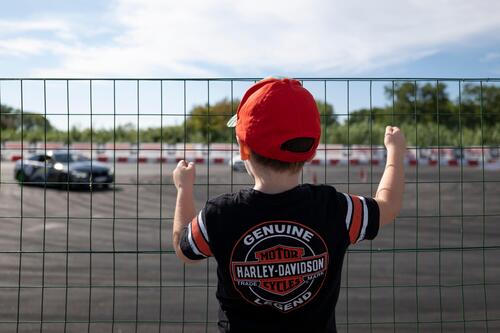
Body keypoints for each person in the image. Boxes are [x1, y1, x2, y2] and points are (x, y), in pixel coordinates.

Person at [172, 77, 406, 333]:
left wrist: (184, 189)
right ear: (311, 149)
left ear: (243, 148)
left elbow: (185, 250)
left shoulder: (220, 214)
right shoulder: (335, 209)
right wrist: (395, 153)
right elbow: (388, 204)